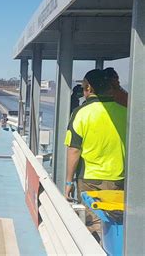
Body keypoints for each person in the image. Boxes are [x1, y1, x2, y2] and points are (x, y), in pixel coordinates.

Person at [64, 69, 127, 242]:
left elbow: (74, 150)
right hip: (118, 177)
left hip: (89, 179)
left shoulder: (81, 113)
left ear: (89, 88)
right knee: (115, 224)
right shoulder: (125, 112)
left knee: (93, 224)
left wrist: (68, 182)